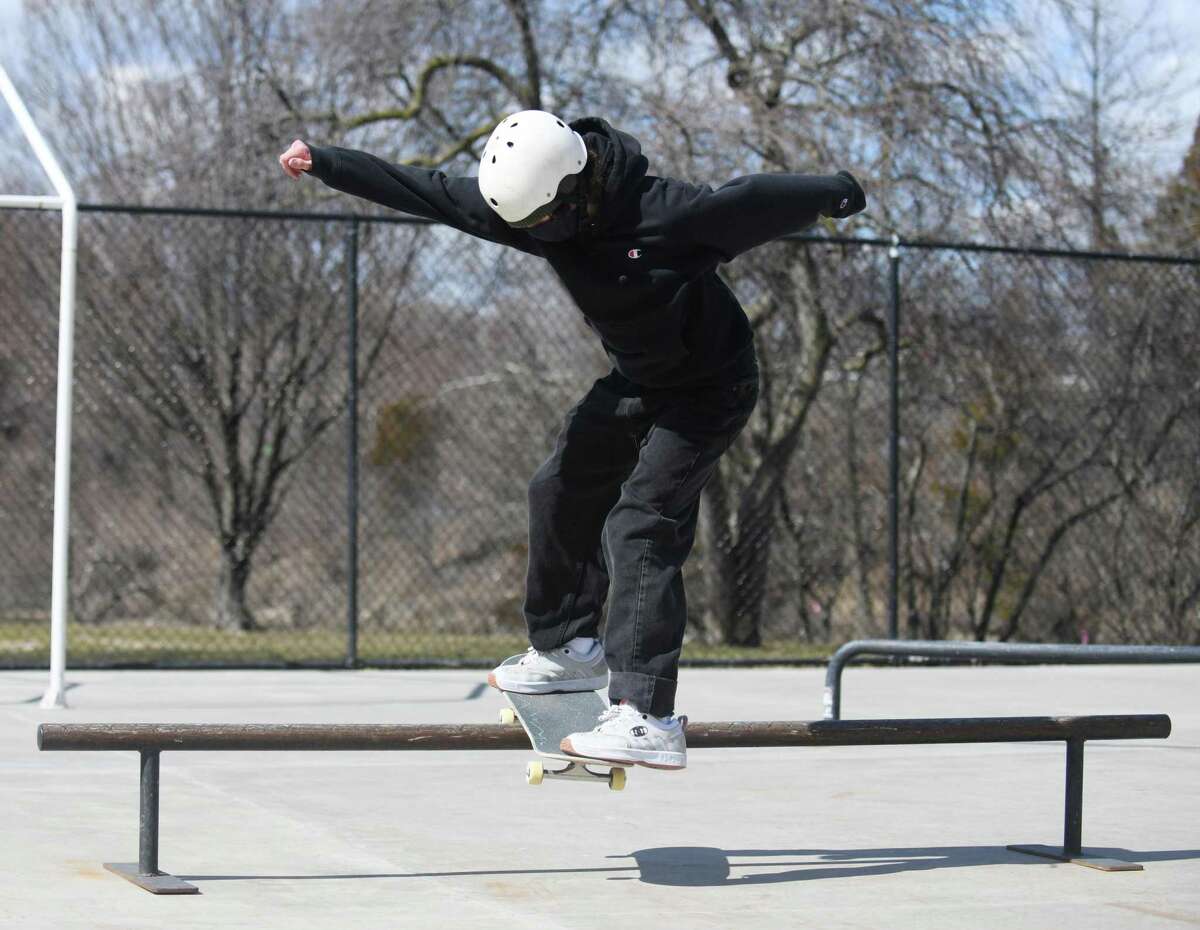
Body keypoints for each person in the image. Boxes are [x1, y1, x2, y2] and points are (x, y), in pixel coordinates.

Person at [279, 110, 865, 771]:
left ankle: (647, 714)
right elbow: (430, 191)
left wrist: (837, 190)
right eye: (524, 225)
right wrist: (326, 162)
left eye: (543, 222)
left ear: (576, 188)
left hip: (711, 387)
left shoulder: (665, 214)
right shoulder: (529, 213)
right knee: (559, 485)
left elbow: (752, 200)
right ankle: (569, 648)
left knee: (642, 521)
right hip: (640, 380)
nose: (535, 236)